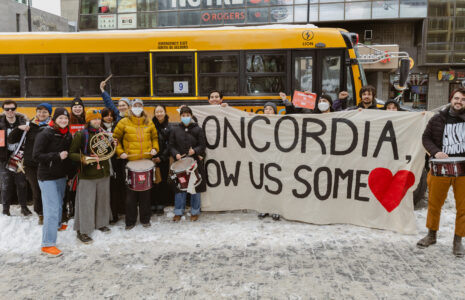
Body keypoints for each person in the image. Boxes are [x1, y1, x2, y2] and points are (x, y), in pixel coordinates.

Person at [417, 88, 465, 257]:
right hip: (440, 168)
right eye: (456, 98)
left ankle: (458, 240)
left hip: (463, 170)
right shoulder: (438, 118)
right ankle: (431, 234)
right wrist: (435, 152)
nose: (459, 102)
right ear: (451, 99)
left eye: (463, 99)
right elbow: (426, 138)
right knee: (434, 203)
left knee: (463, 207)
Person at [113, 99, 159, 230]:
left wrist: (155, 148)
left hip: (146, 162)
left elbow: (155, 138)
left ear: (143, 107)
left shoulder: (148, 121)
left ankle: (145, 219)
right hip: (130, 162)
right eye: (135, 106)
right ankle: (130, 221)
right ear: (131, 108)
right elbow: (115, 139)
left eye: (139, 106)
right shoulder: (123, 122)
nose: (137, 108)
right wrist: (120, 152)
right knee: (130, 193)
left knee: (145, 192)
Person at [33, 107, 73, 257]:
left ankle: (56, 225)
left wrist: (69, 175)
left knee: (59, 203)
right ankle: (47, 244)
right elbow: (36, 156)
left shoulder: (67, 134)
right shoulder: (45, 133)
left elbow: (68, 158)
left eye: (66, 118)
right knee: (51, 209)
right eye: (60, 118)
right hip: (47, 176)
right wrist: (56, 156)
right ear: (54, 119)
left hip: (61, 175)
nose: (63, 121)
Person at [69, 109, 112, 244]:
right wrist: (83, 158)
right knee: (86, 203)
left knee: (102, 200)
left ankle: (101, 223)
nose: (97, 121)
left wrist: (112, 145)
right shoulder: (81, 135)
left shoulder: (103, 133)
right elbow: (72, 153)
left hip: (102, 172)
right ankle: (83, 230)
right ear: (88, 121)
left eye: (99, 119)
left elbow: (106, 152)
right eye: (94, 119)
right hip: (87, 174)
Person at [8, 103, 51, 224]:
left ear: (49, 114)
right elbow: (10, 140)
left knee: (49, 190)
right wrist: (18, 129)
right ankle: (41, 214)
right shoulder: (29, 126)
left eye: (44, 112)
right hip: (31, 165)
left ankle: (51, 212)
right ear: (36, 112)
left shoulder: (53, 126)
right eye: (39, 111)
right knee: (37, 190)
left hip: (48, 164)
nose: (41, 114)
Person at [169, 106, 206, 222]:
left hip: (194, 163)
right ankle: (178, 211)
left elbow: (203, 145)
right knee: (180, 187)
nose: (185, 118)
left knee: (195, 187)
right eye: (183, 116)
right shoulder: (175, 130)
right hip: (180, 163)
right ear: (180, 117)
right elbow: (171, 146)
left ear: (191, 116)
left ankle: (195, 211)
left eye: (187, 115)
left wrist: (195, 151)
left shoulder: (198, 129)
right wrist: (176, 154)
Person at [0, 100, 30, 217]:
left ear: (16, 109)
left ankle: (24, 207)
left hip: (20, 157)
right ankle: (5, 208)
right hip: (4, 158)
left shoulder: (24, 122)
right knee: (6, 184)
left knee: (22, 183)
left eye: (12, 108)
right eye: (7, 109)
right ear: (4, 110)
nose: (10, 111)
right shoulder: (0, 123)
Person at [258, 102, 281, 221]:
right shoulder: (259, 124)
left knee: (276, 184)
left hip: (276, 158)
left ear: (275, 111)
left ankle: (276, 209)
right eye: (265, 109)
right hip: (263, 158)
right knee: (264, 184)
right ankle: (264, 208)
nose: (267, 111)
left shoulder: (280, 124)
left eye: (270, 109)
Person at [65, 97, 87, 221]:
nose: (77, 109)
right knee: (71, 184)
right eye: (75, 107)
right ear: (71, 109)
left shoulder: (86, 120)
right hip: (71, 157)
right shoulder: (67, 121)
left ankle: (82, 208)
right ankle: (71, 208)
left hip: (84, 157)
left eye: (79, 107)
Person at [101, 108, 124, 224]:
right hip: (104, 162)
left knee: (116, 189)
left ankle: (115, 212)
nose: (109, 117)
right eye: (106, 115)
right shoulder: (99, 129)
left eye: (111, 115)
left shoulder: (117, 126)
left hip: (116, 161)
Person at [151, 105, 172, 216]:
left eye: (161, 111)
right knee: (152, 182)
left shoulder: (169, 127)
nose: (159, 114)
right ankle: (152, 204)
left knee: (163, 182)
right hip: (151, 159)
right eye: (157, 112)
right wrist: (152, 157)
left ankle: (161, 205)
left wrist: (162, 157)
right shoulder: (150, 125)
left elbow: (170, 145)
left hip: (163, 159)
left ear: (165, 112)